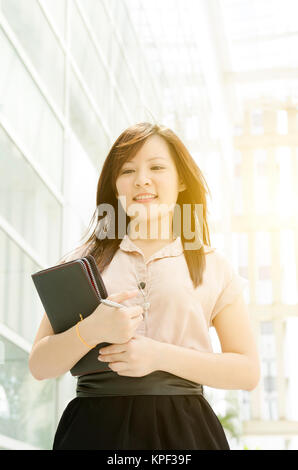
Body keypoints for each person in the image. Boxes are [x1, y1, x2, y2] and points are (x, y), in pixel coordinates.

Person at [29, 122, 260, 450]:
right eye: (127, 170)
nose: (142, 180)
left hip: (187, 432)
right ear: (115, 183)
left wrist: (159, 355)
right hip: (92, 430)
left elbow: (247, 372)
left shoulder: (212, 265)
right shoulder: (83, 262)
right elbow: (40, 365)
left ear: (180, 180)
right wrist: (91, 330)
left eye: (156, 167)